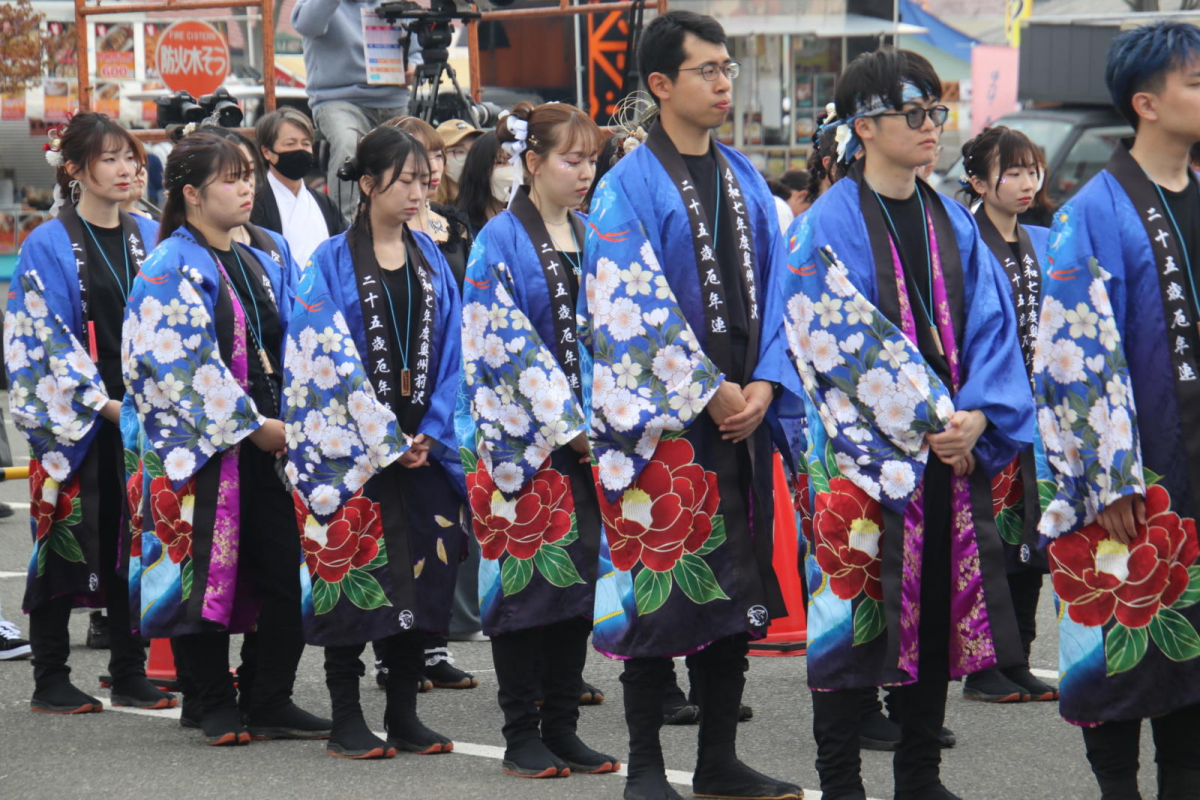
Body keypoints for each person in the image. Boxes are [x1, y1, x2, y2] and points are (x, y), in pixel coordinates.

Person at [781, 48, 1032, 800]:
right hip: (857, 460)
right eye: (914, 114)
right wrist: (934, 419)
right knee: (851, 619)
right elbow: (823, 344)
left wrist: (979, 416)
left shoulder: (950, 219)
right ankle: (842, 782)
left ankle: (920, 775)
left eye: (936, 113)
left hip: (946, 453)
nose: (931, 129)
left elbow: (996, 332)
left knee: (935, 619)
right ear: (864, 126)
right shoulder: (822, 225)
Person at [582, 11, 801, 800]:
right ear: (660, 85)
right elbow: (625, 308)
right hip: (665, 430)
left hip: (744, 417)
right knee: (660, 587)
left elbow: (783, 297)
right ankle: (646, 765)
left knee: (734, 586)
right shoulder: (624, 188)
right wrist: (710, 388)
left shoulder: (745, 178)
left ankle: (716, 761)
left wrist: (769, 383)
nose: (722, 83)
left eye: (727, 68)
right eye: (705, 69)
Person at [1033, 21, 1200, 798]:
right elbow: (1071, 360)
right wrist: (1108, 478)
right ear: (1147, 104)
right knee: (1121, 635)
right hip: (1133, 480)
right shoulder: (1092, 211)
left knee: (1192, 649)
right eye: (1194, 82)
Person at [123, 131, 330, 746]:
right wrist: (254, 426)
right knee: (200, 575)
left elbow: (309, 338)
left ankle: (268, 697)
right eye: (231, 178)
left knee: (288, 571)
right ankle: (210, 702)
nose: (247, 188)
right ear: (190, 193)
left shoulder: (270, 251)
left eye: (249, 176)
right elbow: (178, 367)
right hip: (201, 447)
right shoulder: (169, 264)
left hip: (277, 435)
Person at [282, 125, 466, 760]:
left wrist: (434, 431)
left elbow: (458, 353)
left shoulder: (431, 255)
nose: (419, 191)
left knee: (421, 577)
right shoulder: (329, 261)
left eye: (425, 179)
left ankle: (404, 711)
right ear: (367, 184)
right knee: (352, 576)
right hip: (352, 453)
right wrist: (383, 437)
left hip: (422, 447)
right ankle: (345, 716)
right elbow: (317, 358)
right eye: (406, 179)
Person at [457, 100, 618, 779]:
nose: (584, 173)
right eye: (570, 160)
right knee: (523, 586)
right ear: (531, 162)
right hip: (521, 446)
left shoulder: (593, 232)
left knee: (578, 586)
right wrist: (571, 424)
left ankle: (562, 723)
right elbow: (501, 347)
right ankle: (521, 728)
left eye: (590, 160)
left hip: (591, 441)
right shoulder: (500, 240)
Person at [4, 111, 175, 714]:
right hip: (75, 418)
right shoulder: (46, 242)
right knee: (63, 537)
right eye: (110, 159)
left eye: (132, 156)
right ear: (74, 169)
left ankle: (128, 668)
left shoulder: (150, 236)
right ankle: (50, 675)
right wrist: (102, 403)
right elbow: (41, 336)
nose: (128, 169)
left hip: (139, 416)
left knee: (136, 540)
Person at [957, 125, 1059, 704]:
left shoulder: (1041, 240)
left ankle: (1017, 656)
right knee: (985, 542)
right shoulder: (960, 239)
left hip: (1037, 420)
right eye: (1011, 171)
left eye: (1031, 170)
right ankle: (981, 667)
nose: (1025, 183)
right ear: (977, 180)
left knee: (1028, 541)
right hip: (988, 414)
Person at [291, 0, 422, 219]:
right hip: (337, 99)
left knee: (415, 151)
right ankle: (345, 225)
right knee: (347, 146)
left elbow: (419, 49)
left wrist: (414, 67)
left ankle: (411, 222)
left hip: (393, 97)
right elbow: (307, 24)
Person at [386, 116, 474, 290]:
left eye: (438, 156)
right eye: (423, 156)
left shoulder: (456, 225)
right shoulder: (376, 231)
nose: (434, 167)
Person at [251, 108, 346, 269]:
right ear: (267, 152)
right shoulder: (254, 202)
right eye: (290, 143)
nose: (300, 150)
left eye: (306, 143)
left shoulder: (324, 204)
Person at [457, 131, 514, 237]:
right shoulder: (460, 228)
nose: (510, 170)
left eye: (516, 163)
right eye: (500, 163)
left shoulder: (531, 225)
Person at [435, 118, 483, 206]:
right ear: (439, 158)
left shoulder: (490, 205)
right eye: (459, 151)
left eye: (474, 150)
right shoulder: (430, 210)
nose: (469, 157)